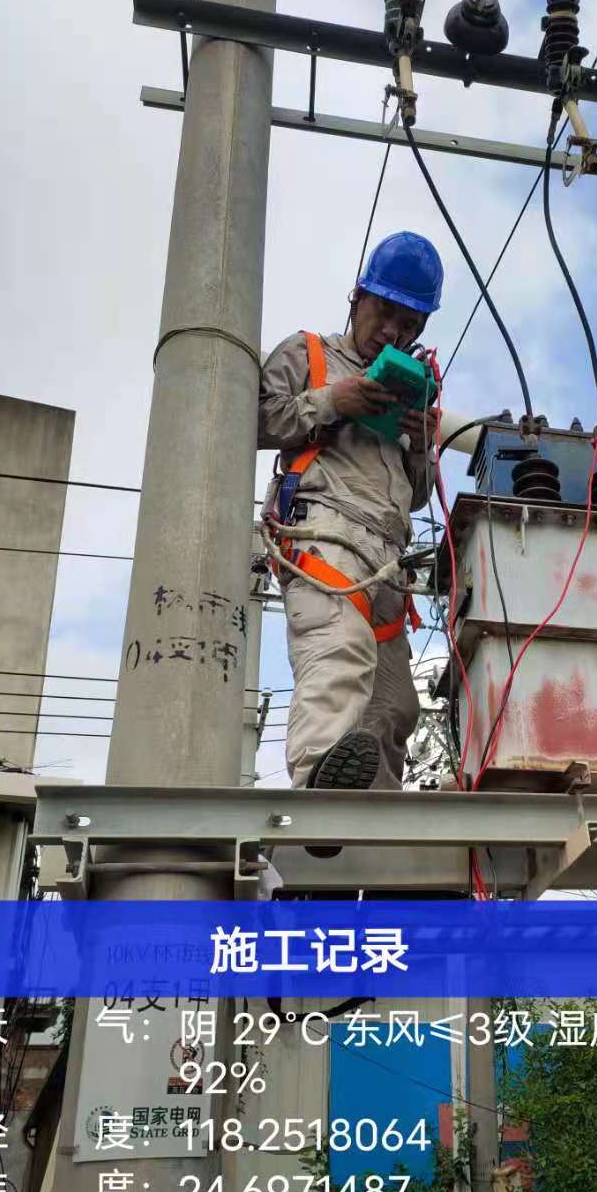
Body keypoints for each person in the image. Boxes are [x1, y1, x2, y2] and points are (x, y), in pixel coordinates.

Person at [257, 231, 443, 805]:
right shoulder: (307, 353)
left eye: (409, 325)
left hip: (385, 560)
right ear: (357, 297)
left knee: (393, 706)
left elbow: (412, 497)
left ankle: (370, 845)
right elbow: (255, 419)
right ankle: (318, 787)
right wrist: (335, 401)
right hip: (324, 532)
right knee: (338, 654)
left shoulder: (407, 390)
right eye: (385, 313)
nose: (393, 332)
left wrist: (420, 446)